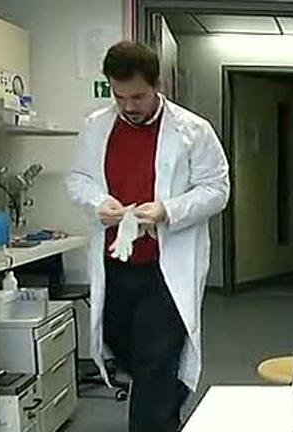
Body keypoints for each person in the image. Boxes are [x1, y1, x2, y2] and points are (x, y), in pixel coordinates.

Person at [67, 41, 230, 432]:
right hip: (116, 265)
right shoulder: (96, 127)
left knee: (155, 362)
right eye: (119, 97)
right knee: (125, 350)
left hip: (164, 269)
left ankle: (156, 418)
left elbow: (217, 189)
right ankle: (164, 407)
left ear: (158, 85)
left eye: (138, 96)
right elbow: (78, 179)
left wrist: (167, 210)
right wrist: (99, 203)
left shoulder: (193, 130)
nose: (128, 106)